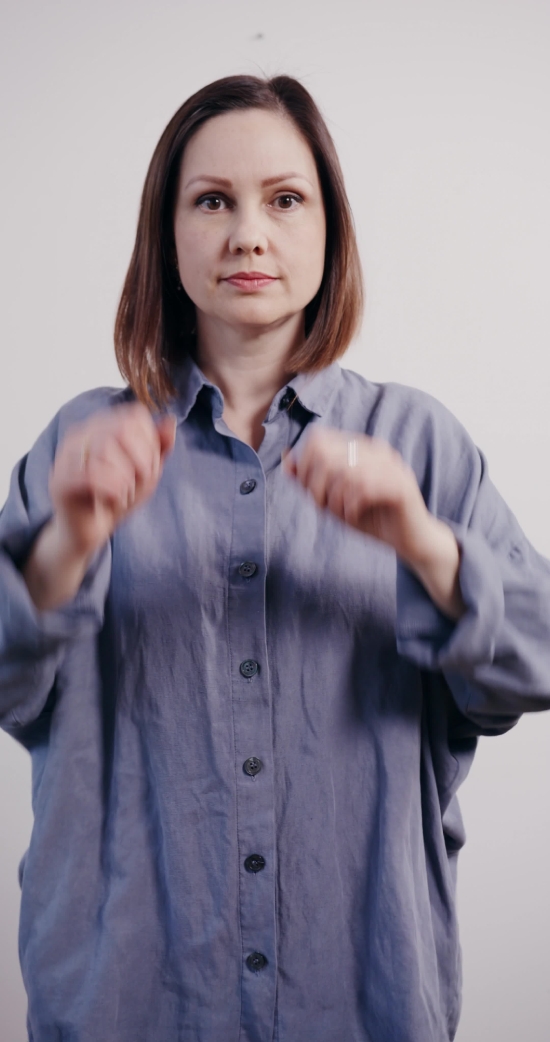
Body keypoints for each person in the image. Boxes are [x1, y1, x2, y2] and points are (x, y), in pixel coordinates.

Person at [1, 74, 549, 1042]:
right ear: (167, 234)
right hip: (128, 999)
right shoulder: (81, 444)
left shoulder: (417, 442)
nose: (248, 235)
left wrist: (423, 544)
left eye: (285, 199)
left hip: (364, 995)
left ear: (329, 229)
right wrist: (69, 540)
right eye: (212, 201)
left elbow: (534, 665)